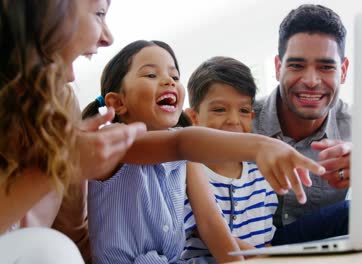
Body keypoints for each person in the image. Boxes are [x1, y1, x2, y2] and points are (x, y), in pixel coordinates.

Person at [83, 40, 326, 263]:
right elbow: (181, 142)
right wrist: (262, 145)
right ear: (117, 103)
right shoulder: (110, 141)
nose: (169, 81)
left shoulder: (186, 159)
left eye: (174, 75)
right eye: (151, 74)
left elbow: (211, 223)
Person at [0, 0, 146, 263]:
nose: (108, 38)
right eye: (99, 13)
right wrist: (59, 168)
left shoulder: (61, 106)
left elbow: (74, 231)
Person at [252, 4, 352, 243]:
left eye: (326, 67)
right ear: (278, 67)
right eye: (296, 65)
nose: (310, 81)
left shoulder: (361, 129)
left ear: (344, 70)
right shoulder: (240, 121)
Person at [182, 56, 278, 263]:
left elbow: (265, 240)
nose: (234, 120)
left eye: (243, 111)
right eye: (219, 110)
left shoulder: (260, 175)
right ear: (193, 118)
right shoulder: (187, 175)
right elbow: (215, 236)